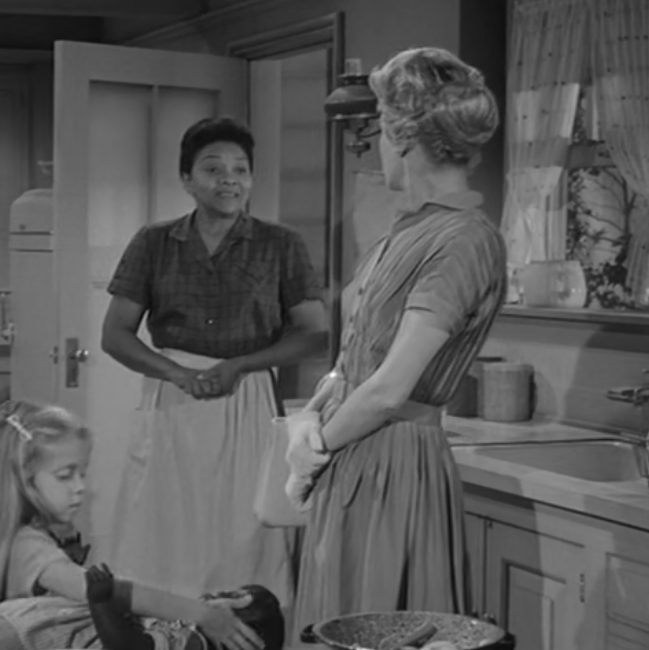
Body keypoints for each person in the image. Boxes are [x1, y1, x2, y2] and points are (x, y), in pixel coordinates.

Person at [287, 47, 507, 639]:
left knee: (378, 621)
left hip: (394, 466)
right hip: (353, 450)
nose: (376, 146)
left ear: (400, 137)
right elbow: (358, 356)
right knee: (338, 620)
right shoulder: (409, 227)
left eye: (379, 128)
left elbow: (388, 389)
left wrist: (314, 451)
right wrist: (312, 415)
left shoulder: (464, 239)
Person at [102, 117, 328, 607]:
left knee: (244, 528)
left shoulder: (280, 244)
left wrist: (241, 364)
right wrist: (177, 373)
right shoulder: (154, 242)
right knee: (162, 523)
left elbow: (315, 334)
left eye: (240, 170)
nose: (229, 180)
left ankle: (246, 623)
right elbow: (114, 334)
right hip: (173, 402)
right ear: (187, 179)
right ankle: (161, 626)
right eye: (213, 169)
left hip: (248, 401)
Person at [0, 400, 264, 650]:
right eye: (65, 476)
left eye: (82, 474)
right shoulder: (27, 546)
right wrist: (203, 614)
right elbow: (103, 592)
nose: (80, 487)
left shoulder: (23, 536)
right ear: (23, 480)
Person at [85, 563, 285, 650]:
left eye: (233, 598)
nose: (220, 594)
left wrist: (100, 601)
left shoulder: (191, 642)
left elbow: (128, 648)